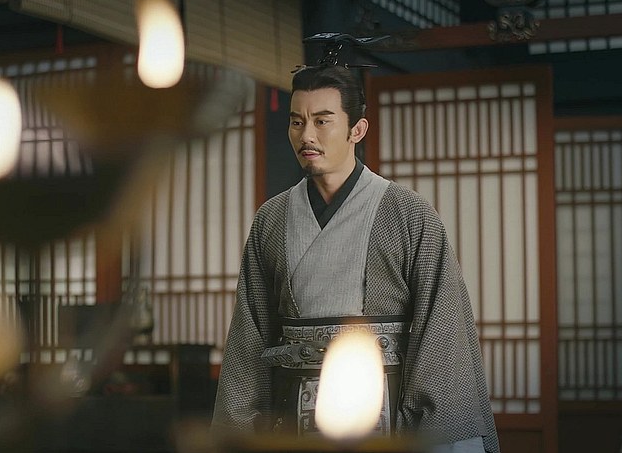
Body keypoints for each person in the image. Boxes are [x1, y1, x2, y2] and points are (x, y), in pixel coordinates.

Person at [210, 64, 499, 453]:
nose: (306, 135)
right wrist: (239, 429)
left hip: (385, 407)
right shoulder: (271, 219)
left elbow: (442, 331)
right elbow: (249, 336)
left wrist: (436, 431)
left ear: (357, 130)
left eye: (322, 121)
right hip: (291, 409)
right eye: (297, 122)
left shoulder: (407, 213)